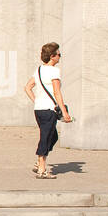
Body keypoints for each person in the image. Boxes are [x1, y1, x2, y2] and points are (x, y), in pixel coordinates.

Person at [24, 42, 72, 178]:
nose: (60, 57)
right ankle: (41, 170)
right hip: (48, 110)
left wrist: (36, 100)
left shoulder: (39, 70)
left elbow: (27, 87)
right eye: (59, 54)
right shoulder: (54, 71)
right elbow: (57, 93)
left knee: (53, 136)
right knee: (45, 137)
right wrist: (65, 112)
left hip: (39, 110)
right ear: (52, 56)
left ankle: (40, 162)